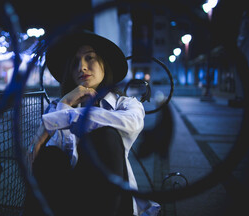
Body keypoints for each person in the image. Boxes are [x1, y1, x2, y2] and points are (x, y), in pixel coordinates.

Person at [23, 31, 160, 216]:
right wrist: (65, 104)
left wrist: (57, 120)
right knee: (50, 155)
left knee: (104, 135)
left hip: (110, 200)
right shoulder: (58, 108)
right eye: (75, 63)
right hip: (65, 200)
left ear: (105, 64)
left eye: (90, 58)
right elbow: (44, 163)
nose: (82, 67)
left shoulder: (125, 105)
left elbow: (133, 122)